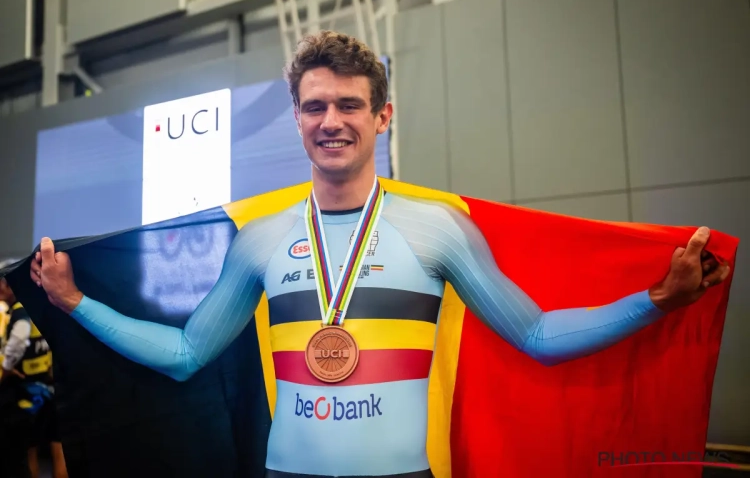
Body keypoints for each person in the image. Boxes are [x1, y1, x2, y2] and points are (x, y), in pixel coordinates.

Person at [30, 31, 730, 478]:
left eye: (349, 105)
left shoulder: (437, 230)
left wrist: (658, 300)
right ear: (296, 119)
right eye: (314, 107)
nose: (331, 121)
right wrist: (73, 301)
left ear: (382, 117)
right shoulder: (261, 240)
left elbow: (540, 337)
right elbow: (187, 354)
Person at [1, 267, 67, 478]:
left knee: (29, 451)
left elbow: (18, 340)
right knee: (58, 448)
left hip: (27, 392)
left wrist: (5, 369)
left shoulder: (19, 312)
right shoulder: (40, 307)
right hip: (50, 387)